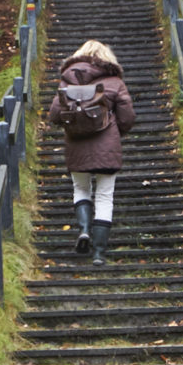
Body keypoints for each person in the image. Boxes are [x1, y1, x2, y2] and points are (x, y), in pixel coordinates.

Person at [44, 38, 135, 265]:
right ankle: (99, 253)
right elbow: (127, 118)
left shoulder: (67, 81)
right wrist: (115, 133)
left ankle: (84, 230)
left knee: (81, 188)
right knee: (105, 196)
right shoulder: (115, 82)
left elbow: (54, 116)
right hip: (107, 147)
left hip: (76, 144)